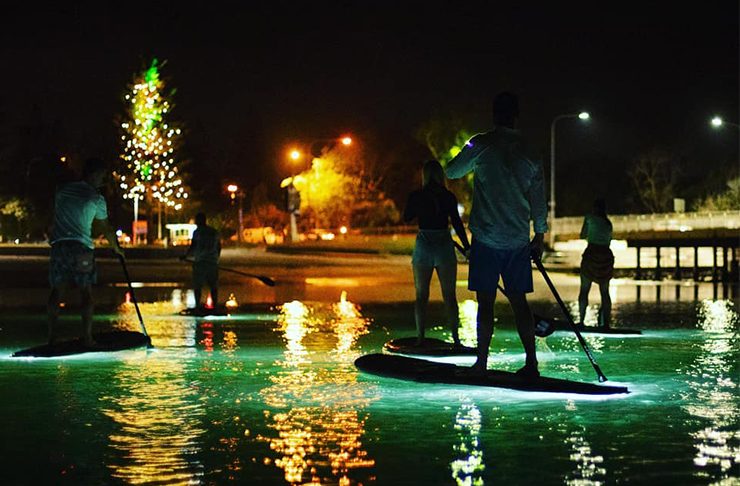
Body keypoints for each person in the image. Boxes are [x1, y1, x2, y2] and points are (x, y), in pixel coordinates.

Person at [446, 92, 548, 378]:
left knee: (485, 303)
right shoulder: (530, 149)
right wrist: (539, 237)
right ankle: (532, 363)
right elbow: (539, 199)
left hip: (487, 238)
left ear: (494, 115)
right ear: (516, 115)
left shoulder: (481, 142)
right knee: (519, 303)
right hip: (517, 238)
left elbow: (452, 171)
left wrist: (470, 145)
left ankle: (481, 363)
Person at [47, 157, 124, 346]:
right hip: (82, 250)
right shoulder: (96, 198)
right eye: (102, 176)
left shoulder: (62, 191)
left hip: (60, 248)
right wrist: (117, 248)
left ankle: (51, 336)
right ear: (94, 174)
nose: (103, 181)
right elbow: (106, 227)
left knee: (57, 291)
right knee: (86, 291)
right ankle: (88, 337)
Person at [404, 160, 471, 347]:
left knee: (421, 295)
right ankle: (456, 339)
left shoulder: (417, 196)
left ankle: (420, 338)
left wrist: (418, 204)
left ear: (424, 175)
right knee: (449, 295)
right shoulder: (448, 196)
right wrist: (467, 247)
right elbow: (457, 224)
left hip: (424, 243)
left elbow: (407, 217)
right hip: (444, 245)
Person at [578, 198, 614, 328]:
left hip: (591, 254)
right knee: (605, 292)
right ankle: (607, 324)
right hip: (605, 256)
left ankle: (581, 321)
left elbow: (582, 235)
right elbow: (609, 240)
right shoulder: (608, 223)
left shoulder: (589, 219)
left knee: (584, 289)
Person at [180, 212, 221, 309]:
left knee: (198, 285)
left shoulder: (197, 232)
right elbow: (218, 247)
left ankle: (197, 306)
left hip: (200, 262)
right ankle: (215, 306)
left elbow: (193, 246)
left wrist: (185, 256)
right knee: (213, 285)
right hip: (212, 262)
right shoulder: (214, 232)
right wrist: (216, 259)